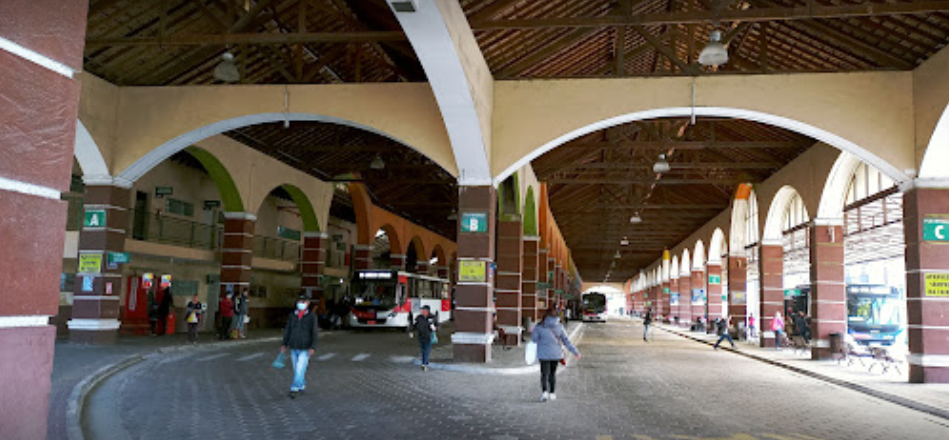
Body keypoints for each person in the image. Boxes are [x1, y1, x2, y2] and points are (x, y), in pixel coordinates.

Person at [531, 307, 580, 402]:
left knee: (544, 374)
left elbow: (534, 340)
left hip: (543, 354)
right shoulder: (560, 326)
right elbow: (566, 341)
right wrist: (575, 352)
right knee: (552, 374)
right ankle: (552, 393)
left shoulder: (539, 326)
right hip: (556, 354)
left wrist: (533, 331)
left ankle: (544, 392)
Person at [281, 296, 319, 399]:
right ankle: (301, 384)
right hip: (294, 345)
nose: (301, 303)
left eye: (303, 302)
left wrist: (313, 347)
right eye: (299, 301)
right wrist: (284, 343)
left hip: (305, 347)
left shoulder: (312, 316)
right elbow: (288, 329)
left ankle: (294, 388)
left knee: (299, 368)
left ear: (308, 303)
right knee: (296, 368)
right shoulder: (293, 315)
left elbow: (314, 332)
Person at [409, 305, 438, 370]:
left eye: (424, 310)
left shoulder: (432, 317)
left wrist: (435, 328)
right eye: (422, 310)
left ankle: (424, 364)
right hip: (421, 336)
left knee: (427, 350)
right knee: (423, 350)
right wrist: (411, 331)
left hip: (429, 336)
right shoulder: (419, 317)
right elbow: (415, 325)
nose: (423, 311)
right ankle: (424, 362)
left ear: (427, 311)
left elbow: (438, 326)